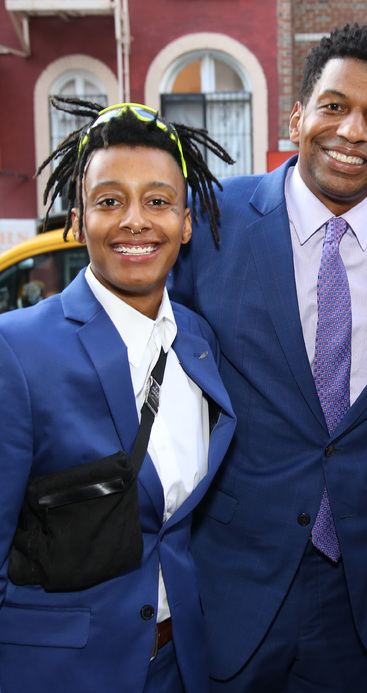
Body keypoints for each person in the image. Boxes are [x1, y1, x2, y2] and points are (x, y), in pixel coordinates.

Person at [169, 23, 367, 693]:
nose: (354, 130)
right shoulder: (207, 218)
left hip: (360, 595)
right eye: (334, 106)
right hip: (231, 578)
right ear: (297, 116)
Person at [0, 97, 236, 693]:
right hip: (57, 673)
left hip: (179, 665)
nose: (136, 220)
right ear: (77, 221)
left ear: (186, 221)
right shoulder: (15, 350)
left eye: (158, 201)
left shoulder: (198, 343)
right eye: (110, 201)